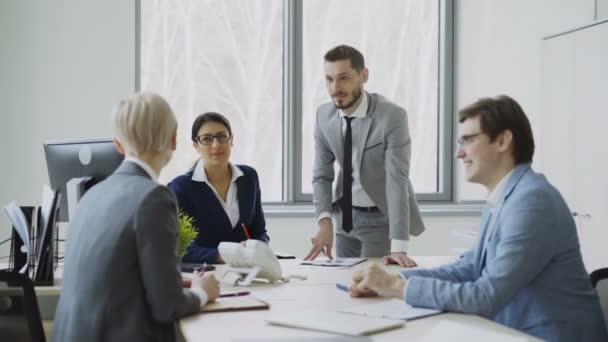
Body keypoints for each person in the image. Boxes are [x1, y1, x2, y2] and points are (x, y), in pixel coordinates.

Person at [348, 95, 608, 341]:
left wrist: (396, 288)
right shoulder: (507, 195)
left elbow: (485, 296)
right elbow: (469, 267)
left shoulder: (532, 201)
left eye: (468, 140)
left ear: (503, 141)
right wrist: (398, 279)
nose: (458, 153)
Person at [52, 93, 220, 342]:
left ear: (118, 144)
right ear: (173, 141)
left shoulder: (90, 196)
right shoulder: (155, 198)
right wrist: (202, 293)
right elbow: (167, 307)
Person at [305, 44, 425, 267]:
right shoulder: (324, 115)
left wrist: (399, 248)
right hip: (343, 218)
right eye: (329, 80)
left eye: (343, 78)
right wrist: (325, 222)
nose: (335, 88)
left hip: (379, 219)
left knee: (372, 284)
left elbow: (396, 179)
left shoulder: (392, 117)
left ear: (364, 75)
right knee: (341, 284)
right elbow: (322, 176)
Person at [169, 112, 269, 264]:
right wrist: (223, 255)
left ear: (231, 140)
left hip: (248, 270)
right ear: (196, 145)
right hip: (206, 274)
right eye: (207, 139)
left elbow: (259, 231)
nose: (216, 145)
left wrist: (256, 247)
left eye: (222, 136)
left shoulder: (249, 178)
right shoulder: (181, 187)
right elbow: (180, 248)